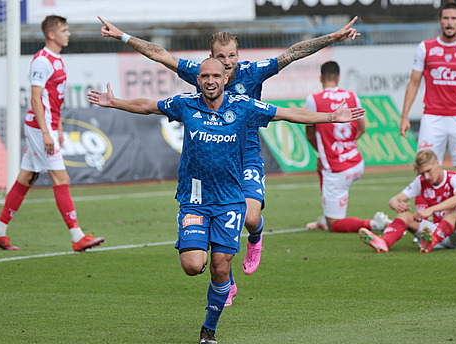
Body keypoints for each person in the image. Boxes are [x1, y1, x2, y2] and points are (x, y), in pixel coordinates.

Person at [87, 58, 364, 344]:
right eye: (204, 75)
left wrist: (330, 117)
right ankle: (203, 251)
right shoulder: (185, 104)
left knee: (221, 266)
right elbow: (147, 106)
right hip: (195, 200)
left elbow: (287, 113)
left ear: (224, 78)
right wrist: (115, 102)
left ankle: (208, 330)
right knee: (193, 265)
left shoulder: (243, 106)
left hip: (230, 201)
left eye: (215, 76)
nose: (209, 80)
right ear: (198, 79)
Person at [0, 15, 104, 252]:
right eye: (64, 30)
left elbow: (53, 99)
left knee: (25, 179)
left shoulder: (57, 60)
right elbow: (35, 98)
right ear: (51, 34)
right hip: (39, 128)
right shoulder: (42, 61)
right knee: (61, 179)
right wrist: (45, 132)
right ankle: (77, 236)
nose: (68, 33)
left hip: (48, 126)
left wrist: (58, 126)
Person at [399, 2, 456, 213]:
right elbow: (414, 82)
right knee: (425, 170)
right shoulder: (426, 47)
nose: (449, 23)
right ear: (440, 21)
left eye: (453, 19)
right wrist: (405, 116)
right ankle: (423, 220)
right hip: (432, 118)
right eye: (446, 18)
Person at [304, 61, 391, 233]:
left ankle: (375, 223)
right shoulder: (351, 96)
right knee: (322, 164)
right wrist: (346, 146)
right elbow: (362, 128)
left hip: (338, 171)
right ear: (338, 78)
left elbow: (310, 134)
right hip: (357, 163)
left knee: (334, 225)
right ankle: (326, 213)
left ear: (321, 78)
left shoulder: (313, 100)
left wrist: (325, 150)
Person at [359, 149, 456, 253]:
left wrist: (430, 210)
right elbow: (394, 199)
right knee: (404, 216)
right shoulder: (421, 181)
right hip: (440, 233)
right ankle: (384, 242)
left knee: (453, 212)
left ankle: (431, 242)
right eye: (422, 173)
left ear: (437, 163)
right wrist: (396, 204)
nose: (426, 176)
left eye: (428, 171)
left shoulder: (455, 177)